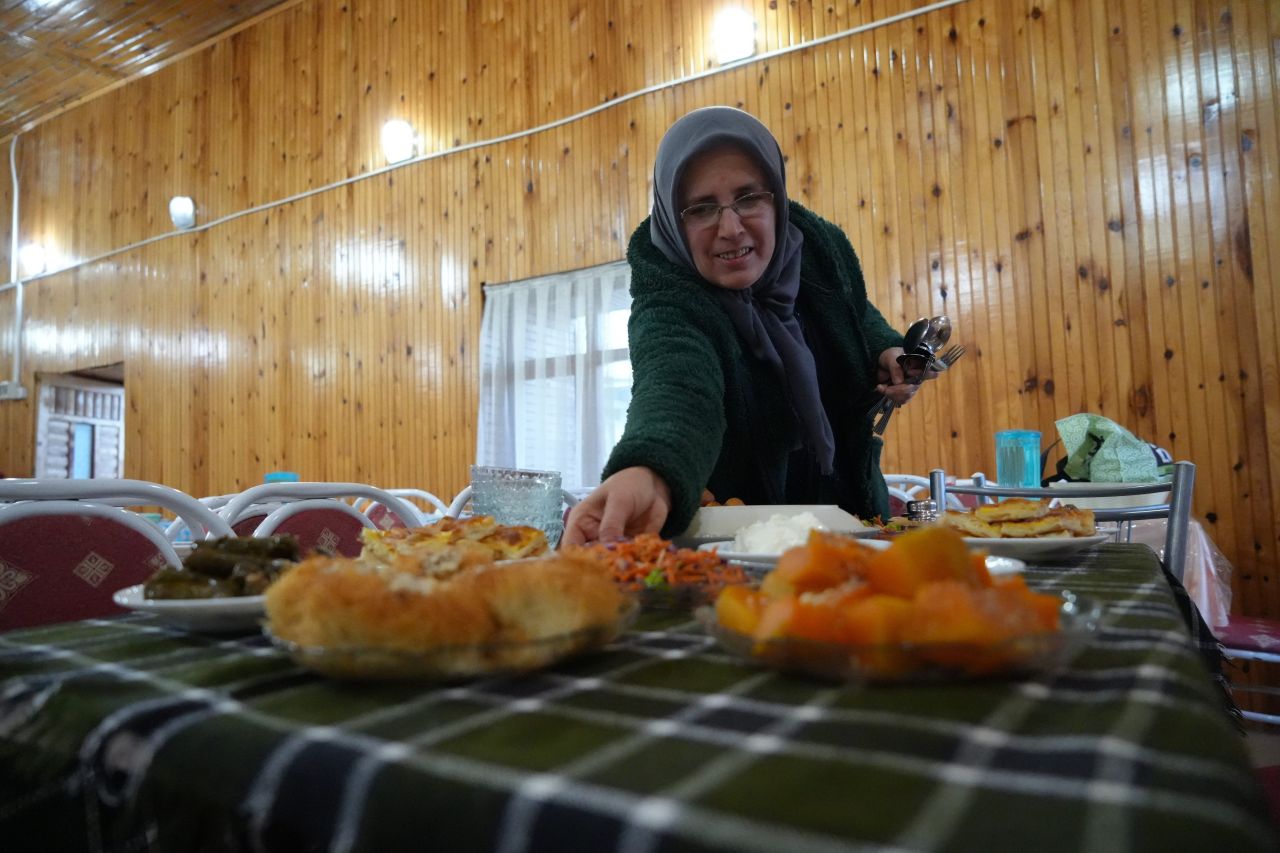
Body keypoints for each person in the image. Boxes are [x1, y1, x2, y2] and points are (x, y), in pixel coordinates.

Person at [564, 106, 926, 546]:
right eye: (700, 208)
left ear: (776, 196)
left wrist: (886, 351)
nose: (731, 228)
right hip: (738, 551)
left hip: (851, 523)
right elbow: (678, 389)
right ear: (672, 220)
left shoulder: (820, 260)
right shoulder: (670, 302)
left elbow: (854, 314)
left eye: (749, 198)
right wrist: (649, 471)